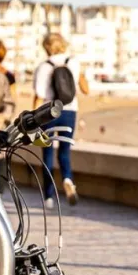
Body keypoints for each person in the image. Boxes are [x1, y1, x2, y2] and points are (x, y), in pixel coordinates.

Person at [32, 32, 89, 207]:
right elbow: (85, 89)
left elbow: (39, 94)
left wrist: (32, 119)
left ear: (46, 47)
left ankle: (49, 197)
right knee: (64, 152)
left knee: (47, 154)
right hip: (70, 111)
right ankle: (68, 179)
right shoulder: (74, 62)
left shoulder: (44, 66)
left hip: (48, 113)